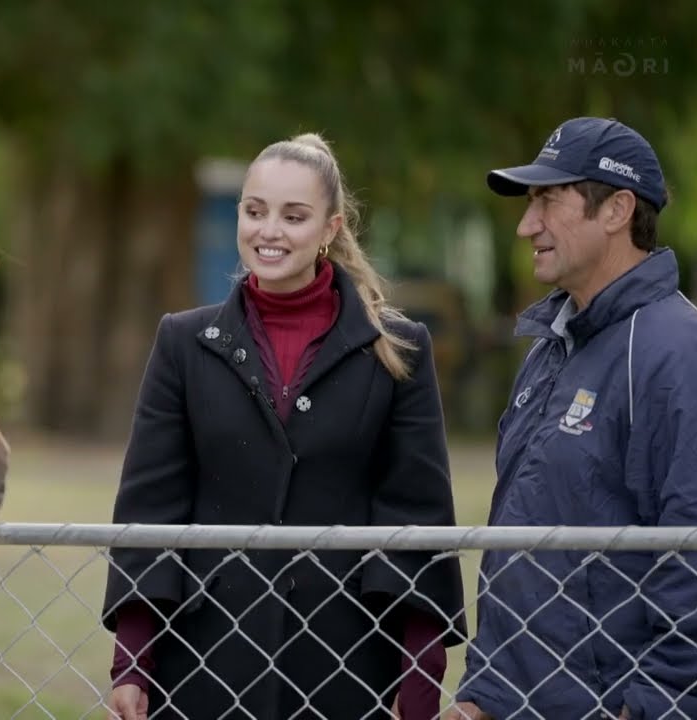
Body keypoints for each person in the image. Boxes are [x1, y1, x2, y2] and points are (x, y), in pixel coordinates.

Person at [100, 132, 467, 720]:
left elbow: (417, 517)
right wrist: (132, 661)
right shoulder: (182, 343)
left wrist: (420, 672)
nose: (269, 231)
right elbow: (152, 508)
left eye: (293, 216)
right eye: (255, 211)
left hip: (349, 665)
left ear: (330, 228)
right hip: (203, 664)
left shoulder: (400, 349)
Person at [446, 117, 697, 720]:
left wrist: (654, 708)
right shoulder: (553, 345)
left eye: (548, 200)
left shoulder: (678, 355)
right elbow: (522, 547)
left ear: (618, 209)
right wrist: (483, 694)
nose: (527, 225)